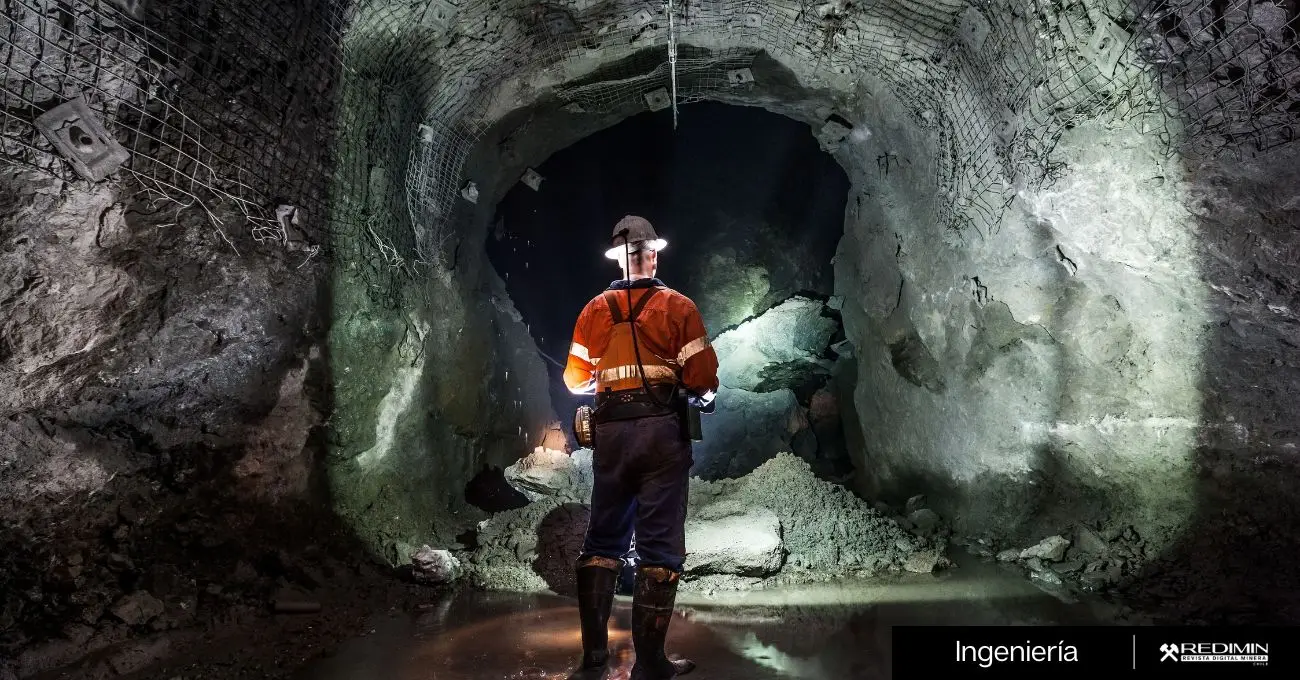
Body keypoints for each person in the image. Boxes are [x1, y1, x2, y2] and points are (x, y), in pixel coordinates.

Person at [563, 215, 719, 680]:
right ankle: (650, 663)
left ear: (616, 258)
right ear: (654, 254)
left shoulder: (594, 309)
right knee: (659, 546)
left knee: (602, 541)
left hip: (611, 438)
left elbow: (574, 379)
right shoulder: (678, 307)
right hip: (661, 438)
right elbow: (702, 379)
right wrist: (702, 395)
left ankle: (594, 657)